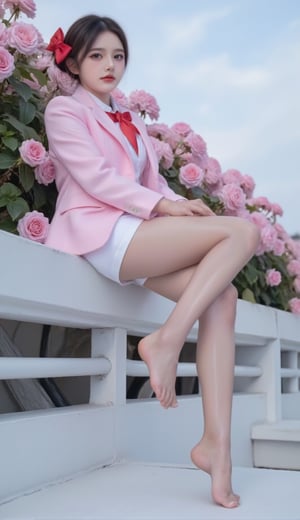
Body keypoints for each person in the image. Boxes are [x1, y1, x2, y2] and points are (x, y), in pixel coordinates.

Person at [44, 14, 260, 509]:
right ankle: (165, 340)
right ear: (73, 60)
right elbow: (97, 180)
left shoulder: (130, 117)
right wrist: (162, 208)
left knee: (222, 297)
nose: (110, 65)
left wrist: (177, 202)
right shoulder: (63, 110)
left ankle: (216, 449)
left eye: (118, 56)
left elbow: (152, 184)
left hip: (137, 230)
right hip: (100, 231)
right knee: (244, 231)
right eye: (97, 55)